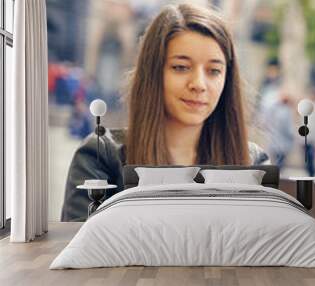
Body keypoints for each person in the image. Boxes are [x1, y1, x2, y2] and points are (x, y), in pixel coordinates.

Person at [61, 4, 270, 222]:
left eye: (214, 71)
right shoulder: (100, 159)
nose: (199, 84)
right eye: (181, 67)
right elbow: (81, 249)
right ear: (153, 73)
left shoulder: (252, 162)